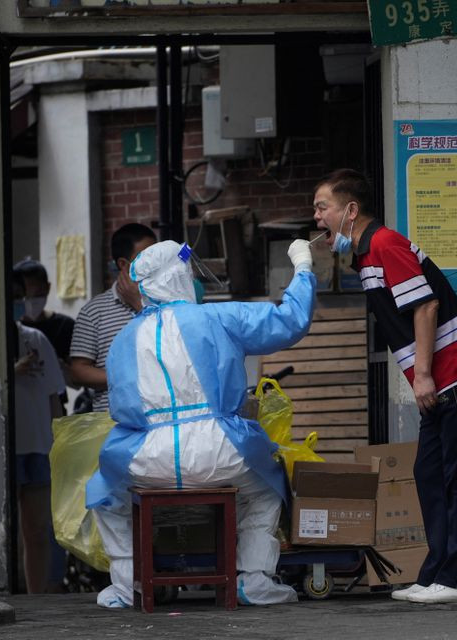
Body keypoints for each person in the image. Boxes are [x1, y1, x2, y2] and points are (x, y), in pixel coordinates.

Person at [85, 238, 316, 608]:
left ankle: (127, 585)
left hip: (147, 459)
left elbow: (121, 411)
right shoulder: (218, 317)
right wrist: (303, 267)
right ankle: (254, 580)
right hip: (223, 452)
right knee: (266, 489)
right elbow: (289, 322)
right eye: (188, 271)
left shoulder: (123, 339)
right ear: (178, 276)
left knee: (104, 496)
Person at [312, 169, 457, 604]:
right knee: (429, 473)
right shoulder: (365, 255)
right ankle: (437, 573)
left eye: (323, 207)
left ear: (351, 210)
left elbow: (426, 306)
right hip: (438, 379)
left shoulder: (385, 243)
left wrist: (426, 374)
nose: (316, 218)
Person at [12, 277, 67, 593]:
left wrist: (58, 445)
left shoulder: (36, 339)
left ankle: (36, 594)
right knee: (9, 530)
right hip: (5, 448)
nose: (21, 303)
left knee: (37, 529)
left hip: (37, 445)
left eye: (22, 296)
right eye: (15, 297)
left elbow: (53, 397)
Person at [69, 223, 157, 413]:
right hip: (113, 425)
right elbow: (78, 371)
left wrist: (140, 305)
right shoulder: (94, 311)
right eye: (147, 258)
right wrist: (129, 377)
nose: (155, 264)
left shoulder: (165, 301)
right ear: (123, 265)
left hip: (162, 421)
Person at [14, 258, 76, 404]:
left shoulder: (65, 326)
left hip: (54, 403)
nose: (32, 301)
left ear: (48, 288)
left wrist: (59, 368)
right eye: (26, 296)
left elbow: (77, 379)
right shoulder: (11, 330)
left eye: (38, 295)